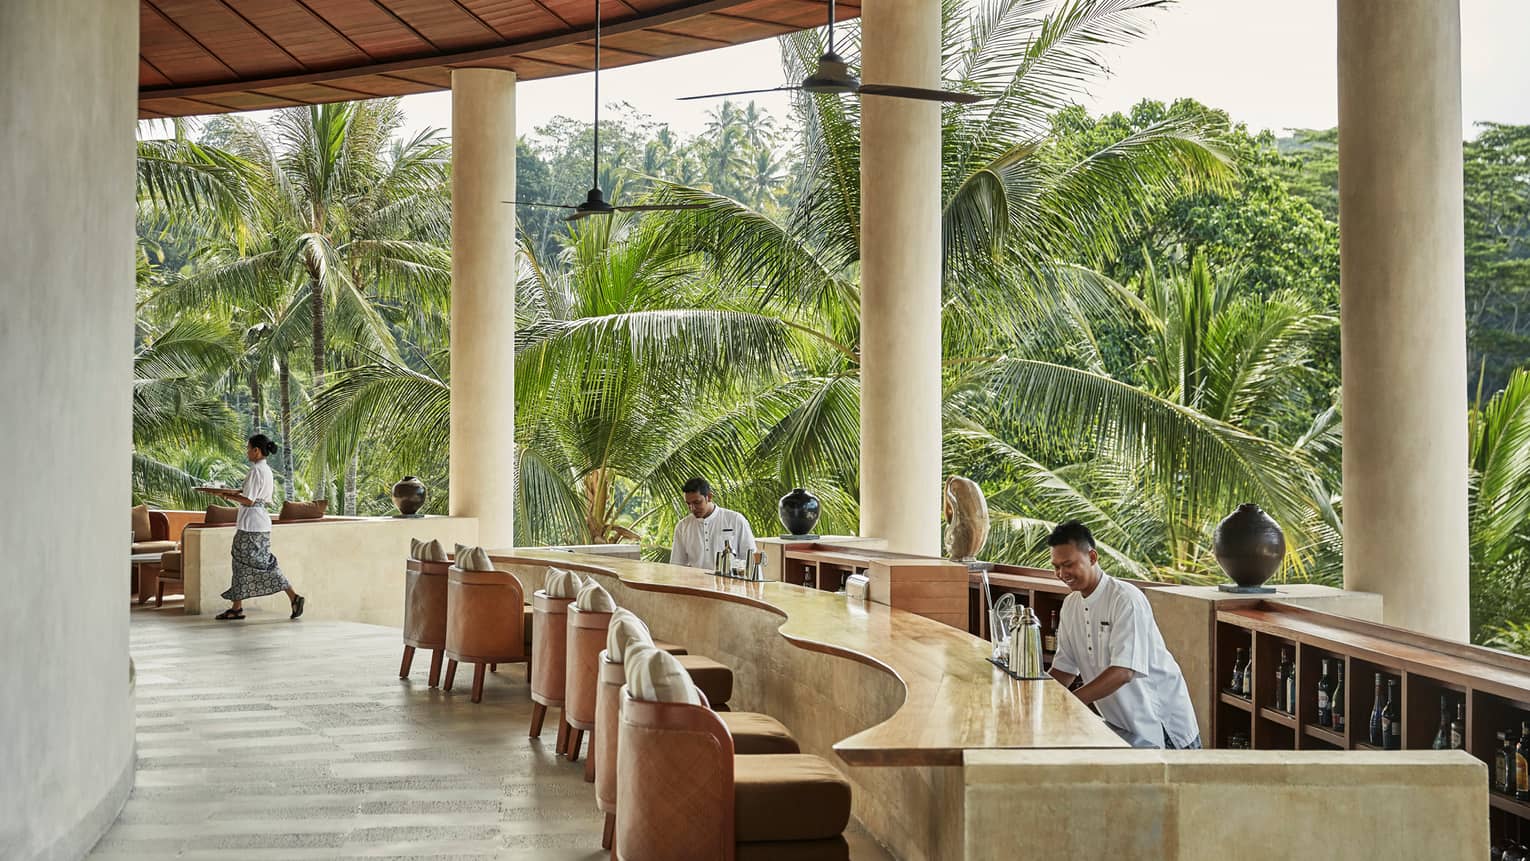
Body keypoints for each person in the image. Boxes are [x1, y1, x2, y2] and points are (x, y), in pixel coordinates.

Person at [1045, 520, 1199, 749]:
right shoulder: (1070, 605)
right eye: (1056, 566)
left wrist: (1070, 704)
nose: (1061, 573)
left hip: (1163, 728)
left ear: (1093, 557)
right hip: (1121, 727)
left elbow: (1123, 671)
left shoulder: (1125, 599)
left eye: (1068, 564)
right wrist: (1038, 700)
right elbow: (1064, 669)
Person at [210, 434, 305, 621]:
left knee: (253, 563)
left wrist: (227, 496)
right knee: (249, 563)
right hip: (260, 524)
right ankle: (237, 608)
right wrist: (233, 492)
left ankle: (293, 596)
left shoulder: (255, 471)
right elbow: (253, 495)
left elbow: (249, 499)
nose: (247, 452)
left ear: (256, 450)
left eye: (248, 448)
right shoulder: (266, 470)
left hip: (250, 526)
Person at [669, 478, 756, 570]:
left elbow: (750, 559)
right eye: (688, 504)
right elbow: (676, 565)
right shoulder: (683, 526)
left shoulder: (735, 520)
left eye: (697, 502)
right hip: (693, 583)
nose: (692, 508)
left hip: (730, 583)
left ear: (709, 497)